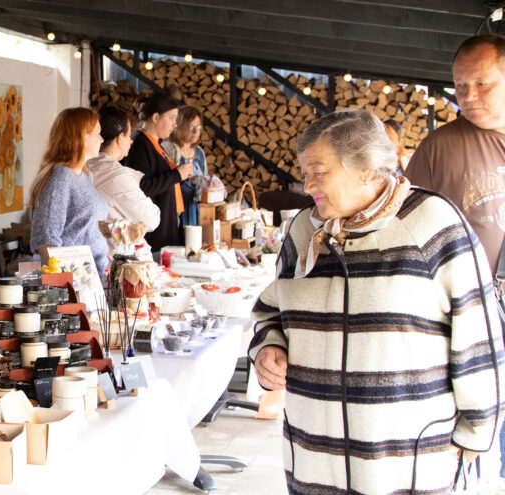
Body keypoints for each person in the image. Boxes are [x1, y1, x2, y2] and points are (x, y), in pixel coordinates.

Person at [249, 109, 503, 494]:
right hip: (314, 460)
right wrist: (269, 347)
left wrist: (475, 433)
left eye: (319, 171)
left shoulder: (434, 224)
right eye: (305, 172)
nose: (307, 184)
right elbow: (270, 310)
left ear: (366, 169)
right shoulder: (304, 229)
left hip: (405, 464)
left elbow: (478, 337)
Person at [406, 34, 505, 273]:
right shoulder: (438, 147)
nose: (468, 96)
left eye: (482, 84)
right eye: (460, 85)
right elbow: (406, 227)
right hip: (465, 292)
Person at [29, 107, 108, 279]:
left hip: (93, 277)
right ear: (82, 137)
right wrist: (71, 281)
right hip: (75, 282)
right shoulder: (60, 177)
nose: (102, 139)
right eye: (98, 134)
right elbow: (46, 240)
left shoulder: (85, 175)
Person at [86, 106, 160, 255]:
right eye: (129, 136)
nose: (131, 141)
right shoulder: (115, 176)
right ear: (120, 138)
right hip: (114, 258)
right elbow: (151, 219)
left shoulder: (86, 166)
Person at [125, 92, 193, 252]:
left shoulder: (156, 144)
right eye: (171, 118)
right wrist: (176, 175)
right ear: (156, 117)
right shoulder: (140, 145)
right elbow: (143, 187)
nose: (175, 124)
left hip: (167, 224)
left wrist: (180, 176)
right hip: (153, 234)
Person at [162, 105, 207, 226]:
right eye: (191, 126)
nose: (196, 131)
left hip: (196, 211)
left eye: (198, 127)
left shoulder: (199, 153)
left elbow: (204, 181)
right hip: (175, 211)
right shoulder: (169, 149)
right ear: (180, 126)